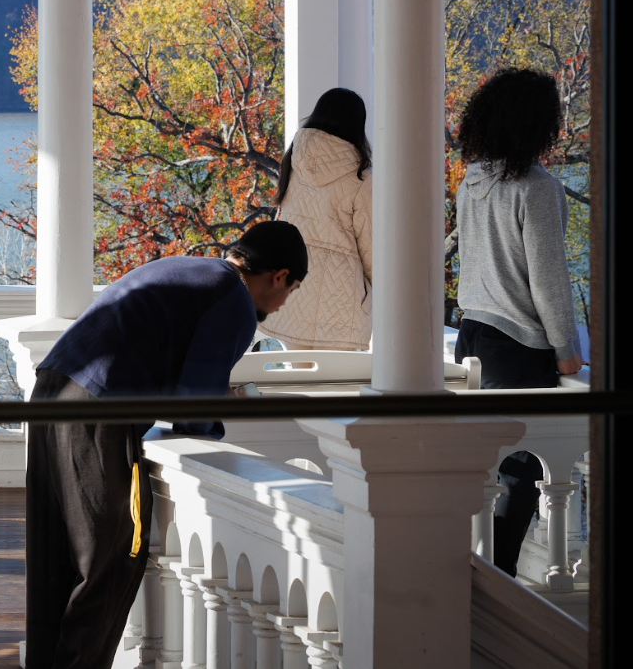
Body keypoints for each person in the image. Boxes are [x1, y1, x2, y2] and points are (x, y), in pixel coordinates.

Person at [25, 221, 308, 669]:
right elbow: (193, 408)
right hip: (98, 409)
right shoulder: (233, 299)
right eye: (291, 290)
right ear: (279, 276)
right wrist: (217, 416)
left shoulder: (190, 269)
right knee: (112, 556)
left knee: (55, 554)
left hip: (53, 388)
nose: (283, 302)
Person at [452, 68, 582, 578]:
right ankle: (495, 582)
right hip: (517, 346)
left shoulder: (474, 182)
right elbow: (549, 282)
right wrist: (567, 350)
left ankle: (470, 573)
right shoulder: (537, 188)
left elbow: (467, 253)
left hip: (472, 337)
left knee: (480, 469)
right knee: (520, 473)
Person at [263, 87, 374, 351]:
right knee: (338, 388)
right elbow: (372, 249)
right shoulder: (362, 177)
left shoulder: (293, 160)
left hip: (294, 291)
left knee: (299, 384)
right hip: (341, 303)